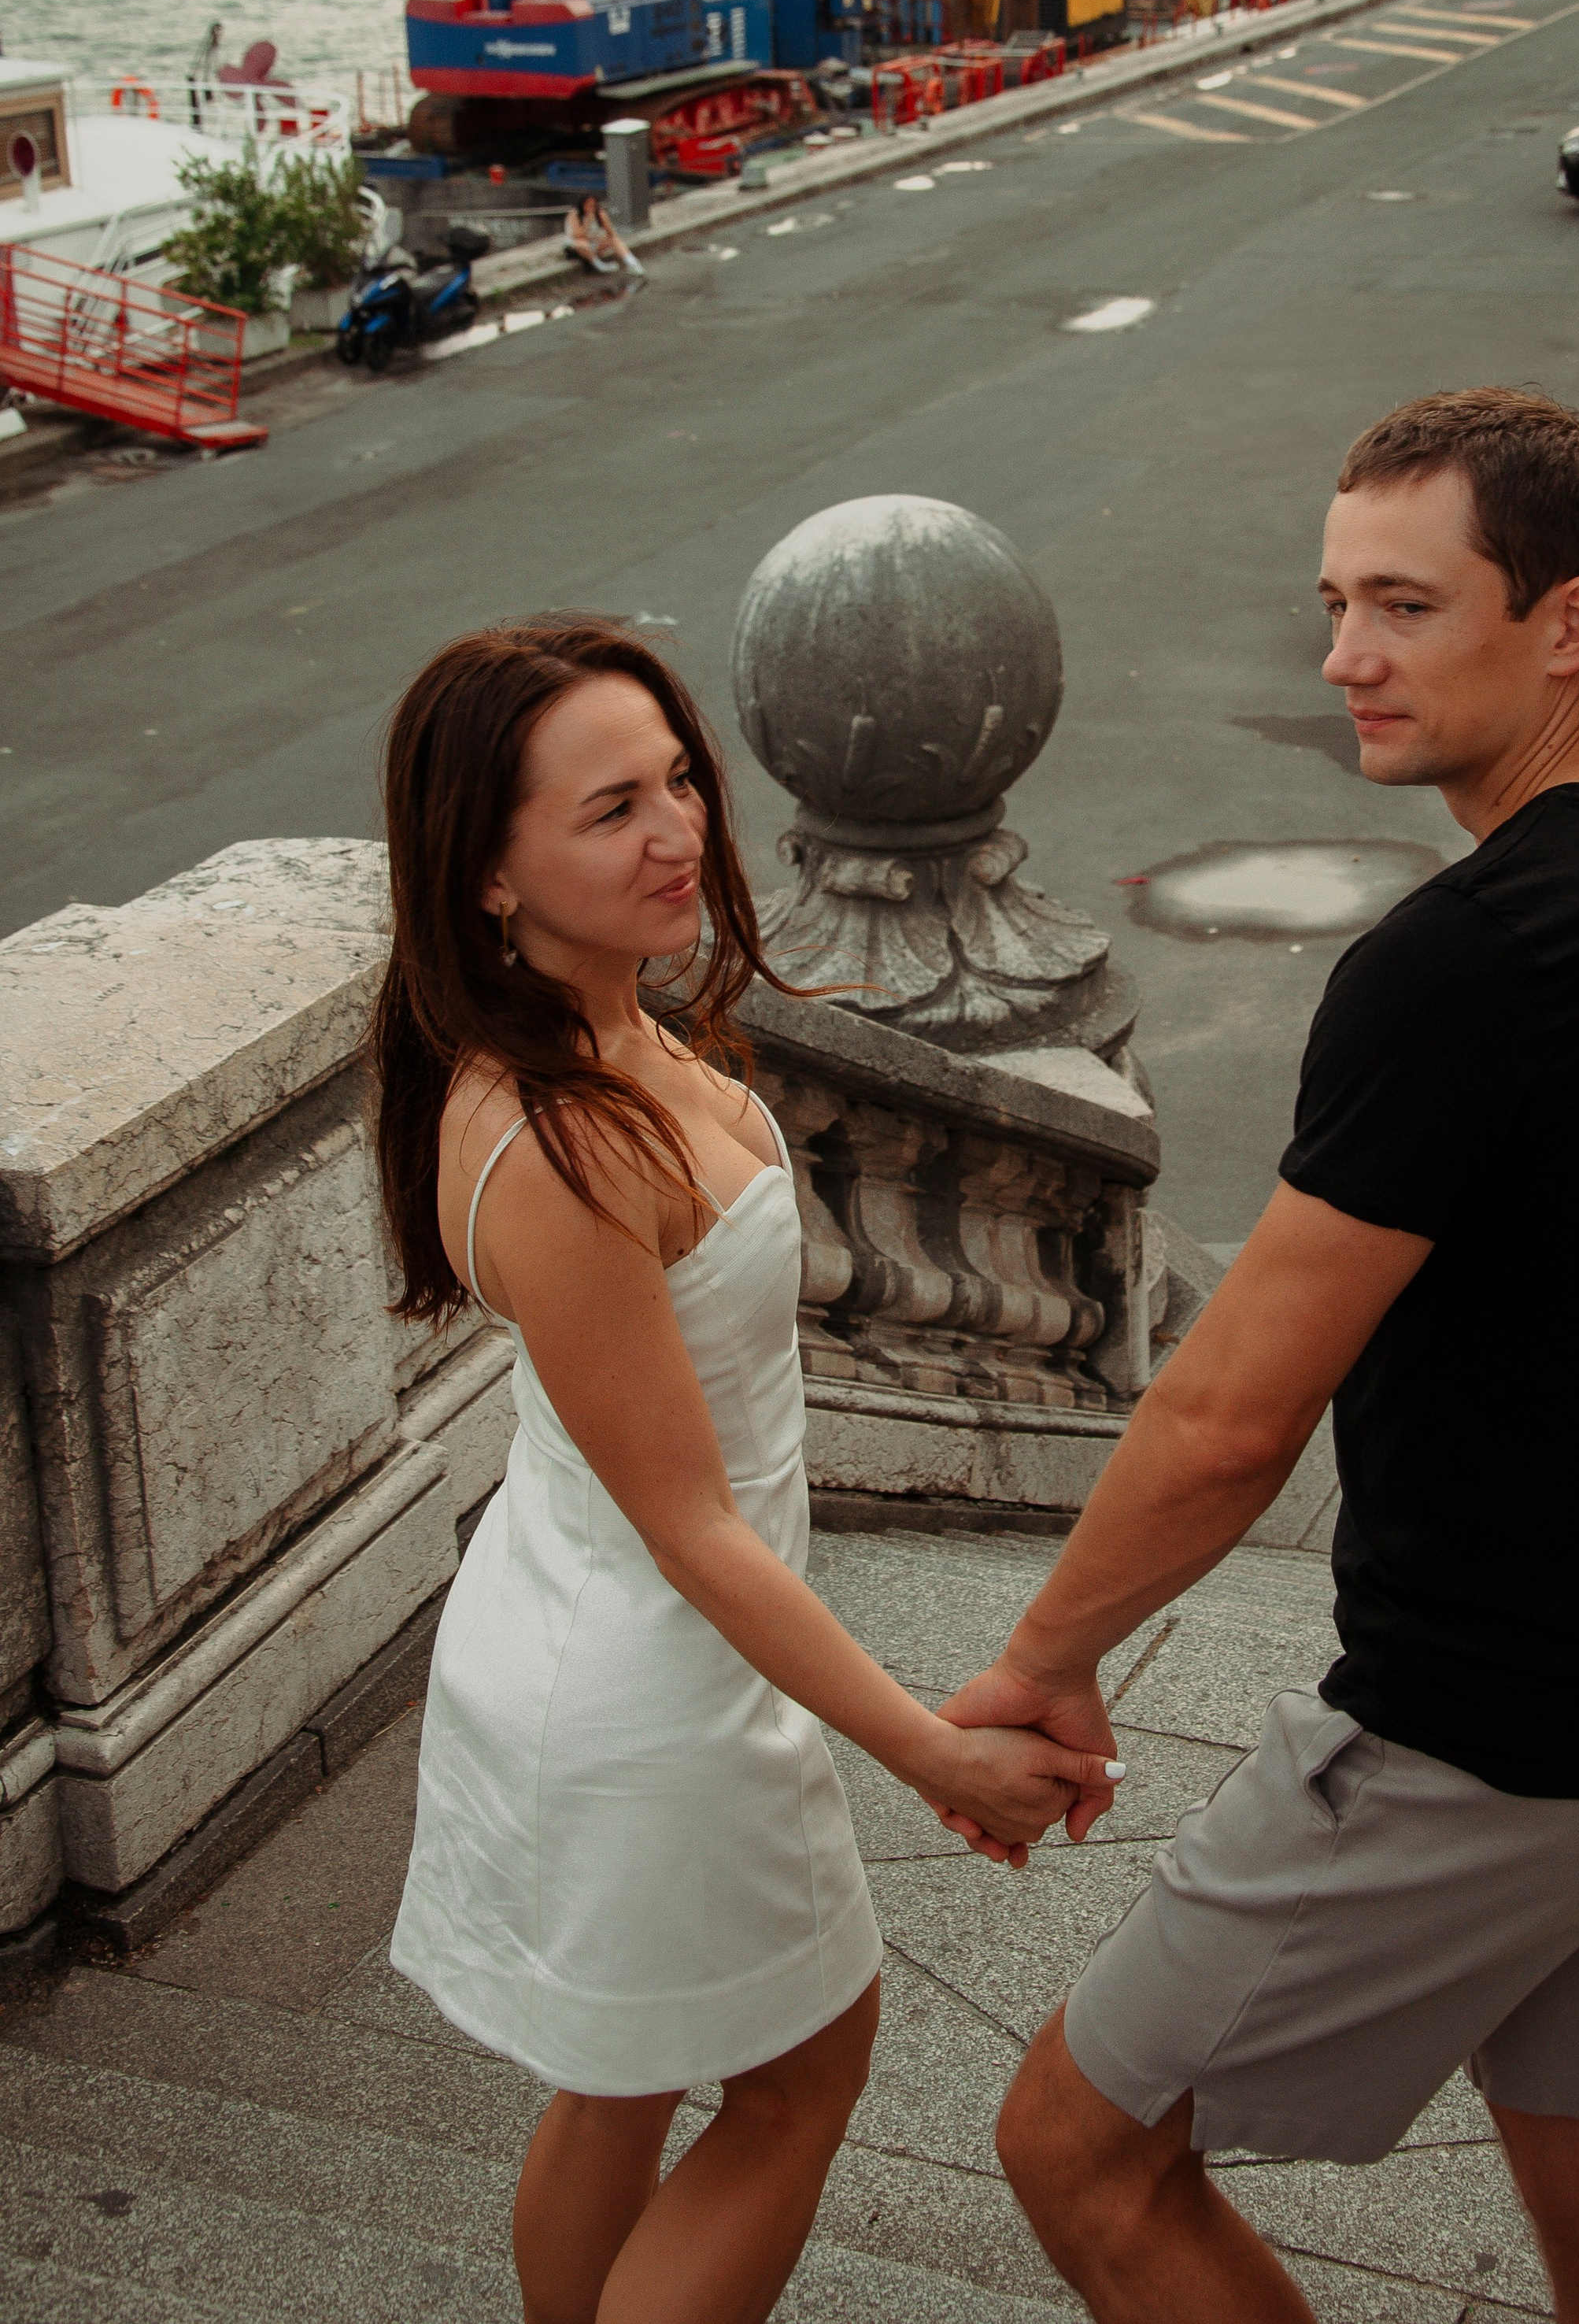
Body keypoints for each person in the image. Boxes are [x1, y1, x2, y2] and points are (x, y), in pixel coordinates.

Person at [943, 389, 1579, 2324]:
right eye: (1330, 600)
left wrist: (1039, 1664)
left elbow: (1225, 1412)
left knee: (1076, 2142)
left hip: (1489, 1731)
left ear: (1562, 621)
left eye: (1398, 602)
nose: (1340, 657)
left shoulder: (1466, 954)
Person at [379, 620, 1115, 2324]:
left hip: (621, 1640)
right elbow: (692, 1519)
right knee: (795, 2078)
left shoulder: (611, 1046)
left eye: (681, 781)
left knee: (624, 2078)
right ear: (489, 872)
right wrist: (926, 1742)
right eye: (611, 806)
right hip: (648, 1687)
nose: (678, 831)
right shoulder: (554, 1133)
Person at [567, 191, 643, 279]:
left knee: (614, 239)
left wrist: (604, 218)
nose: (590, 207)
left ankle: (632, 262)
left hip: (594, 245)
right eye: (587, 204)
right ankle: (600, 266)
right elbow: (577, 235)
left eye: (593, 205)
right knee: (582, 244)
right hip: (578, 248)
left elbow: (611, 233)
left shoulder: (599, 213)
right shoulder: (574, 214)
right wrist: (588, 222)